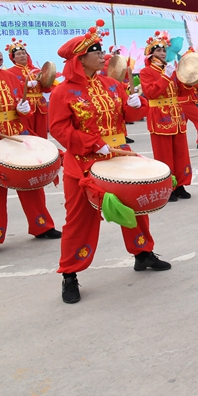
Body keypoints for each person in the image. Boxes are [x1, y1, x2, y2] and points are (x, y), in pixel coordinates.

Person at [49, 21, 169, 305]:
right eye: (96, 51)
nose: (103, 55)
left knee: (136, 207)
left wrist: (134, 106)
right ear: (80, 59)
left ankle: (143, 253)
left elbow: (125, 114)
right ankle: (70, 273)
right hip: (83, 161)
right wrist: (93, 144)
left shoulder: (112, 85)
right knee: (79, 218)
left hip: (119, 154)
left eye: (101, 50)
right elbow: (59, 129)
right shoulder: (62, 91)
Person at [0, 42, 60, 244]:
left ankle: (41, 225)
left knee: (29, 181)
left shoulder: (9, 77)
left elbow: (18, 102)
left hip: (16, 134)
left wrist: (22, 109)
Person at [139, 32, 192, 201]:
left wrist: (189, 79)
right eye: (158, 50)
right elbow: (152, 93)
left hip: (176, 115)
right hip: (160, 116)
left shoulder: (171, 69)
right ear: (150, 54)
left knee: (181, 153)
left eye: (163, 50)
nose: (162, 53)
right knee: (164, 155)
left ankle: (181, 184)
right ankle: (168, 187)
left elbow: (182, 92)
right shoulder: (146, 72)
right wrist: (165, 76)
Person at [6, 40, 53, 138]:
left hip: (40, 105)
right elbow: (11, 89)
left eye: (24, 53)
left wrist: (48, 80)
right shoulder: (10, 72)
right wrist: (26, 84)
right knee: (28, 132)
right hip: (25, 106)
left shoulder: (36, 70)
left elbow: (46, 88)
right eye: (18, 54)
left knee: (42, 133)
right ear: (13, 58)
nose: (23, 56)